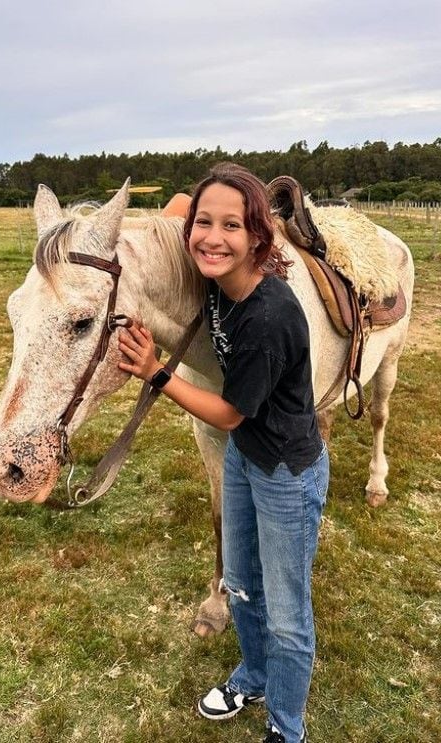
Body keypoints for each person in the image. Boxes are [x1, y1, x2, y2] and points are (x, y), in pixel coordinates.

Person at [118, 163, 329, 743]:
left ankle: (287, 728)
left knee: (288, 613)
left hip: (285, 468)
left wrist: (156, 373)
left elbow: (229, 413)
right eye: (203, 224)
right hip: (244, 457)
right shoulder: (218, 278)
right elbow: (178, 203)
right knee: (239, 580)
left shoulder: (269, 314)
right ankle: (254, 675)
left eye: (231, 225)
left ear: (257, 237)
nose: (212, 236)